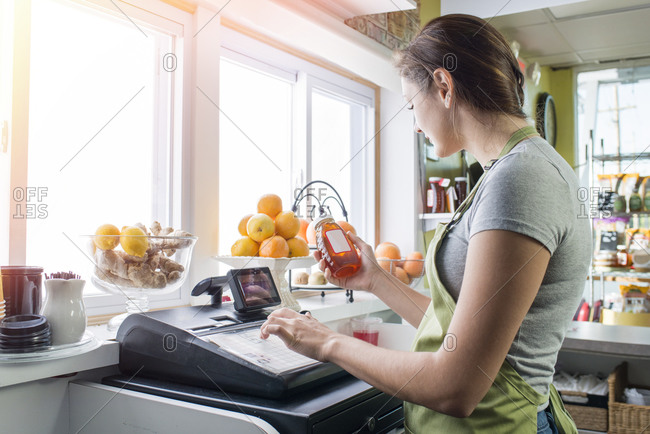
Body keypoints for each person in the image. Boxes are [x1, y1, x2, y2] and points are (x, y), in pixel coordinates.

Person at [260, 14, 590, 434]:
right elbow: (455, 327)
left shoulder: (519, 180)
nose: (414, 123)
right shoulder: (507, 171)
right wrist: (376, 279)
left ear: (444, 86)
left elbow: (457, 385)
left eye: (413, 105)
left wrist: (325, 342)